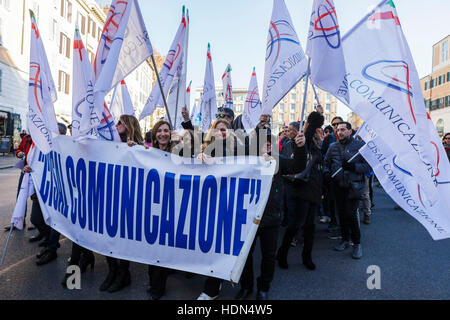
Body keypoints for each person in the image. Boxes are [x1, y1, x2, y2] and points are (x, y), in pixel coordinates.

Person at [99, 115, 143, 293]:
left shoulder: (139, 146)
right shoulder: (109, 143)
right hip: (109, 196)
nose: (116, 125)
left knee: (122, 239)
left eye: (119, 123)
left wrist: (136, 150)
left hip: (128, 200)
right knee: (106, 237)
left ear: (129, 125)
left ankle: (123, 274)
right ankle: (112, 271)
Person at [277, 111, 324, 271]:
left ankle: (307, 257)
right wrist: (315, 117)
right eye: (318, 128)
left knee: (311, 226)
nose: (320, 130)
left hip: (313, 188)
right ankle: (282, 253)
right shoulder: (301, 140)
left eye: (320, 128)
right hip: (299, 188)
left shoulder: (319, 144)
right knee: (295, 224)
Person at [323, 122, 371, 259]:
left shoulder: (360, 146)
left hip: (354, 187)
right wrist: (326, 173)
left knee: (350, 214)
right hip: (337, 186)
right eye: (338, 130)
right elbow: (326, 164)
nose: (340, 132)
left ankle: (356, 243)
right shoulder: (332, 147)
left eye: (343, 129)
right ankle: (345, 239)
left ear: (350, 131)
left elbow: (368, 167)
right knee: (342, 214)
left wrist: (353, 167)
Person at [147, 120, 178, 300]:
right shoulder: (148, 150)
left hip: (170, 207)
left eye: (166, 131)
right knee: (151, 247)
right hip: (151, 205)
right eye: (159, 131)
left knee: (162, 249)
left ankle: (158, 287)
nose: (163, 134)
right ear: (154, 133)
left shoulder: (177, 152)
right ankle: (153, 280)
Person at [321, 116, 343, 238]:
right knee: (332, 202)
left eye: (338, 124)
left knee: (344, 205)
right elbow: (322, 154)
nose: (336, 127)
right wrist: (327, 170)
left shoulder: (349, 138)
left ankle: (344, 229)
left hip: (345, 178)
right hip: (332, 177)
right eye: (334, 125)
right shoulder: (329, 138)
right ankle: (333, 223)